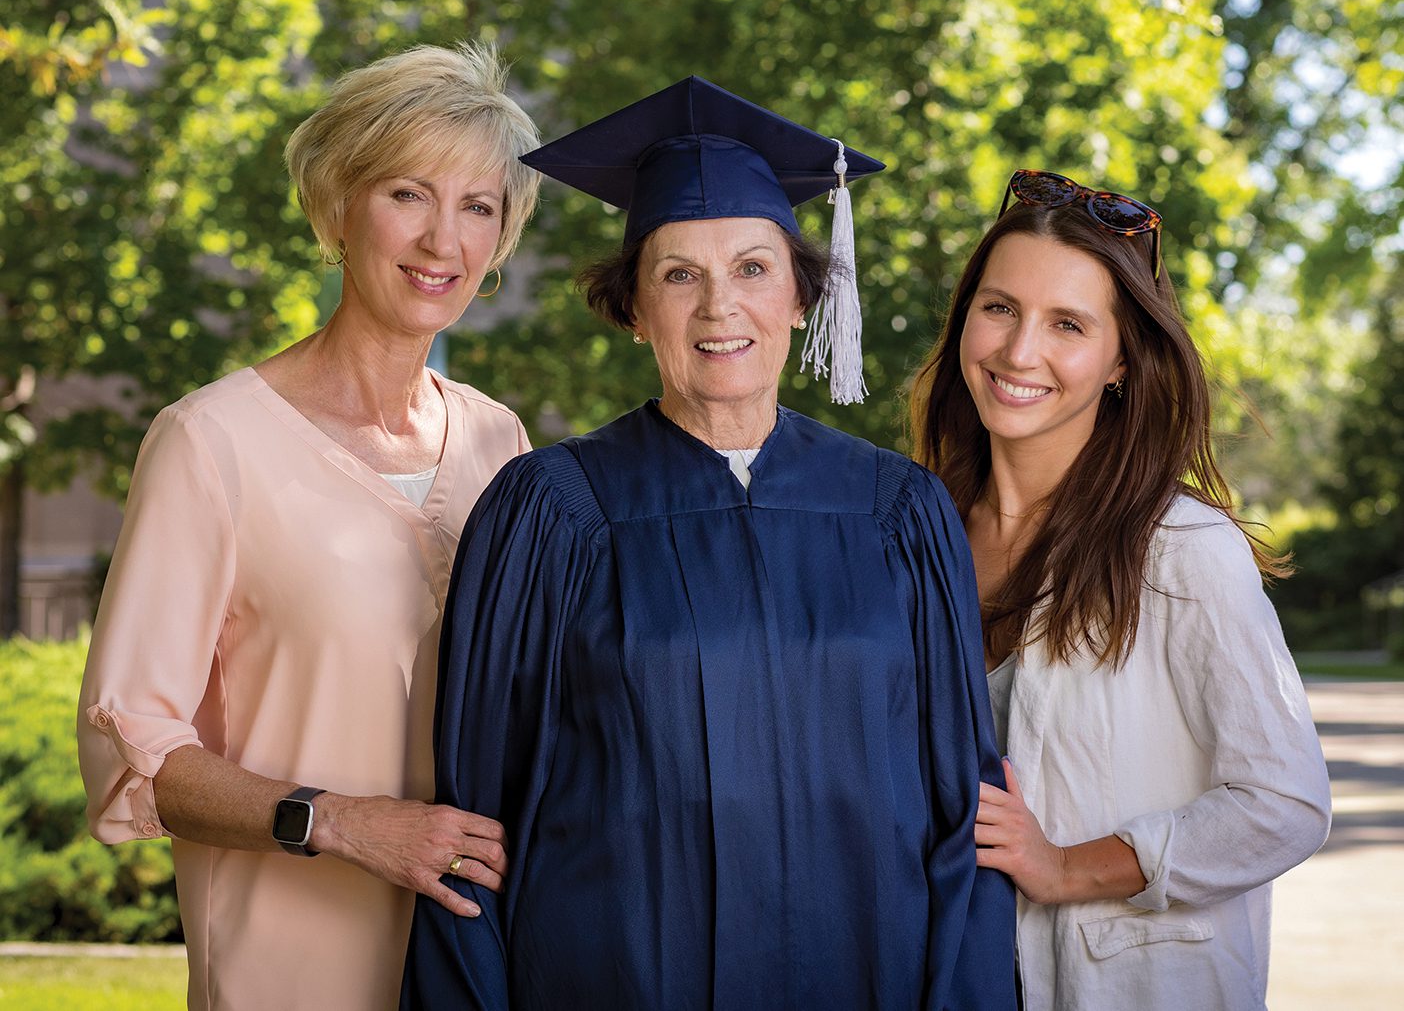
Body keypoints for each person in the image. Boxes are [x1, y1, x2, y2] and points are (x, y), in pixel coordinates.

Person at [401, 77, 1016, 1010]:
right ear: (635, 310)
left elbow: (966, 822)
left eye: (754, 268)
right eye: (679, 274)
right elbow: (472, 834)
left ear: (805, 298)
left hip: (866, 976)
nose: (719, 306)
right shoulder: (550, 514)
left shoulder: (902, 515)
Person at [76, 42, 542, 1010]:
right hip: (284, 979)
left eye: (478, 206)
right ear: (337, 205)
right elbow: (135, 750)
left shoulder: (504, 444)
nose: (441, 240)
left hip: (473, 973)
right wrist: (341, 821)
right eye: (409, 193)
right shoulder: (211, 444)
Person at [908, 169, 1332, 1009]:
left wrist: (1066, 866)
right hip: (962, 977)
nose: (1019, 351)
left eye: (1068, 323)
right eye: (999, 308)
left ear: (1122, 362)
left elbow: (1284, 802)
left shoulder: (1180, 550)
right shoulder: (921, 532)